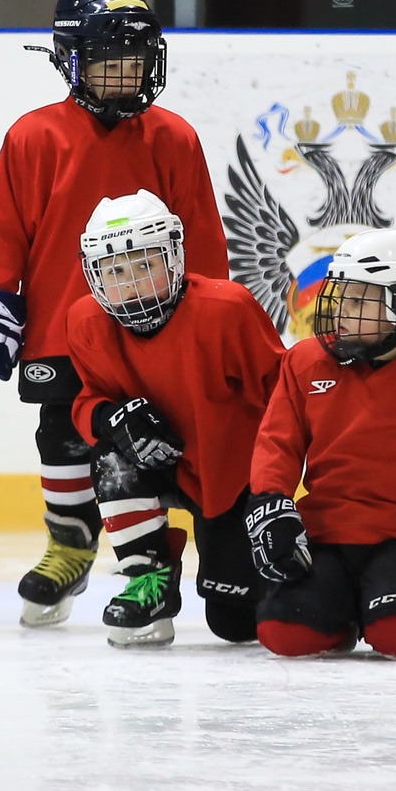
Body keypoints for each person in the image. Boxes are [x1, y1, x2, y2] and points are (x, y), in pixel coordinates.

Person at [0, 0, 230, 629]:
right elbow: (3, 229)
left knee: (146, 446)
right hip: (61, 328)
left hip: (155, 334)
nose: (123, 74)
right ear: (69, 57)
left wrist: (212, 320)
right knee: (60, 438)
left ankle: (150, 565)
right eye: (108, 60)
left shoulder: (174, 138)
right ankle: (69, 544)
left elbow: (200, 237)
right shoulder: (33, 137)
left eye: (134, 61)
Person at [247, 229, 396, 661]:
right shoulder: (304, 361)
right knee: (285, 636)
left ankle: (375, 605)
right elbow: (277, 443)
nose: (340, 311)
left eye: (359, 301)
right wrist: (270, 503)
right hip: (325, 537)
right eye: (341, 297)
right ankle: (344, 609)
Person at [65, 191, 286, 649]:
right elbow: (88, 400)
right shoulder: (86, 320)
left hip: (231, 476)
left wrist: (275, 496)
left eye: (145, 265)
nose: (132, 284)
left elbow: (284, 400)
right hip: (156, 464)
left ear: (175, 257)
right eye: (116, 271)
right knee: (111, 458)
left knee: (236, 624)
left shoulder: (227, 309)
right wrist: (108, 417)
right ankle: (149, 579)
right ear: (95, 275)